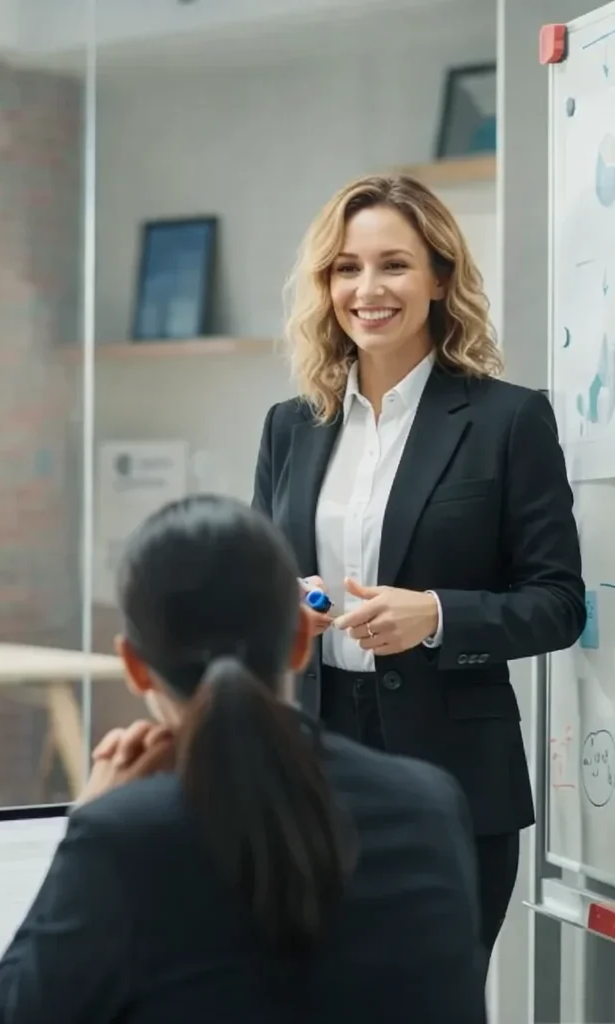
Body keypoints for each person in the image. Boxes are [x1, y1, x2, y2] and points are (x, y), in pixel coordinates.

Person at [0, 494, 486, 1024]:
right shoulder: (429, 806)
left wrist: (86, 816)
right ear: (300, 640)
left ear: (134, 666)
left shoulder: (121, 839)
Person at [251, 173, 586, 955]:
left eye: (394, 265)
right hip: (310, 762)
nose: (367, 289)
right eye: (346, 268)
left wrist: (434, 616)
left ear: (439, 278)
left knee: (431, 996)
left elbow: (558, 603)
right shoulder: (289, 427)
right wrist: (280, 607)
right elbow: (260, 582)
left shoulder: (509, 420)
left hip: (452, 773)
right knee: (306, 993)